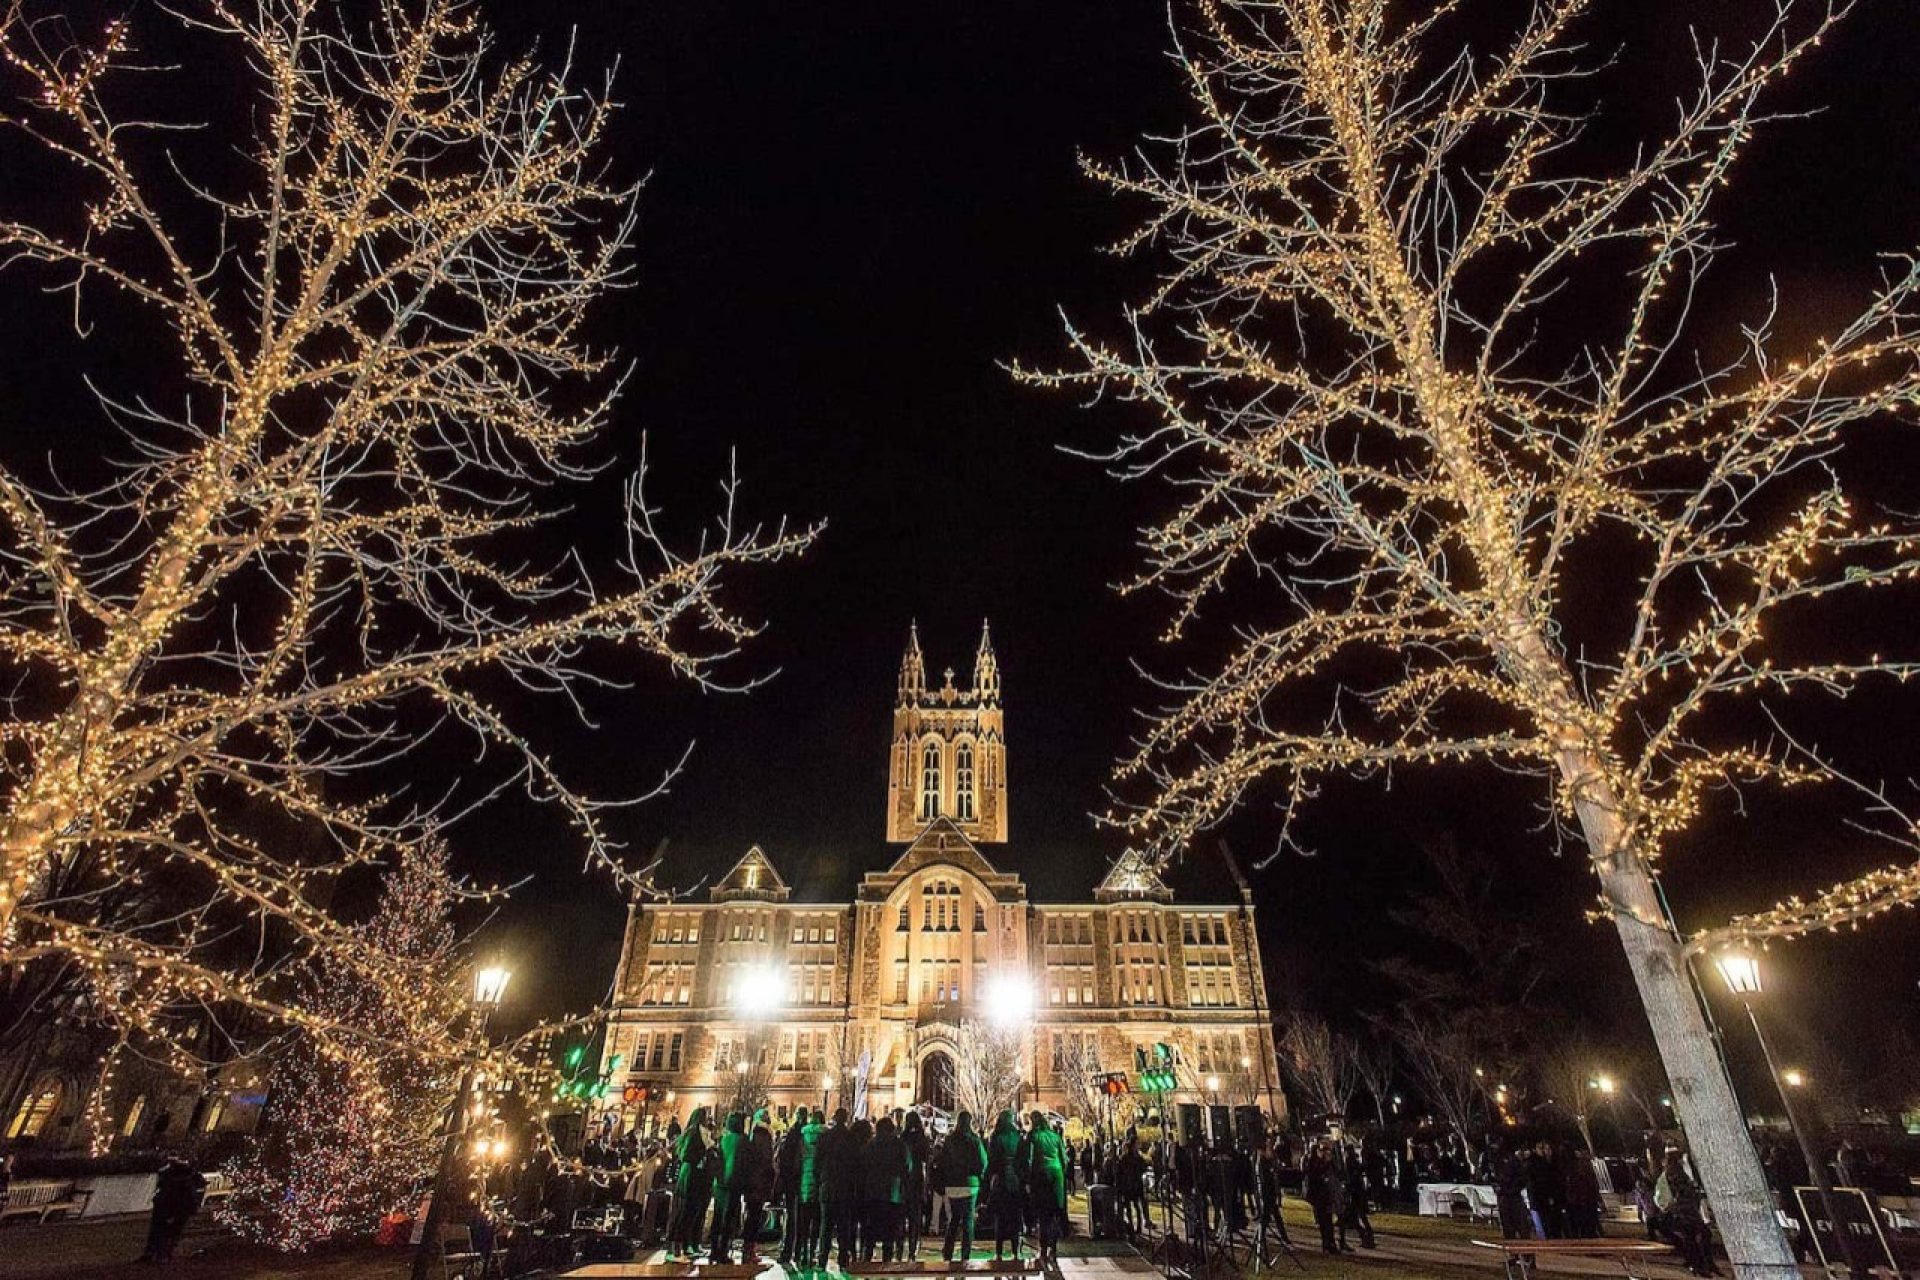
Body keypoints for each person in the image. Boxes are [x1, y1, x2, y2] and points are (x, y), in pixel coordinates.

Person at [1656, 1150, 1716, 1277]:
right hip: (1684, 1212)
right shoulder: (1674, 1174)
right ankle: (1699, 1265)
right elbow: (1681, 1193)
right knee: (1696, 1237)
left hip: (1686, 1211)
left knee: (1697, 1237)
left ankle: (1700, 1264)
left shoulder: (1674, 1174)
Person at [939, 1110, 989, 1263]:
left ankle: (948, 1251)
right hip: (970, 1184)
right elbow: (983, 1162)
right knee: (968, 1220)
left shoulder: (949, 1140)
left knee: (954, 1219)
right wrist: (979, 1176)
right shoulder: (974, 1140)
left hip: (953, 1185)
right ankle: (965, 1255)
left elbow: (943, 1161)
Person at [668, 1106, 716, 1258]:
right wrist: (704, 1154)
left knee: (699, 1212)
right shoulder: (694, 1133)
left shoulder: (706, 1134)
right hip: (693, 1176)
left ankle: (694, 1243)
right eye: (706, 1116)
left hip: (703, 1178)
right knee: (688, 1211)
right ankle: (679, 1244)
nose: (709, 1118)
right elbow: (688, 1155)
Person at [140, 1156, 207, 1264]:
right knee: (170, 1231)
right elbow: (200, 1183)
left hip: (170, 1206)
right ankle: (160, 1253)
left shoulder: (172, 1175)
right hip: (175, 1206)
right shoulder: (187, 1175)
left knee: (163, 1231)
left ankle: (158, 1253)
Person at [861, 1116, 909, 1262]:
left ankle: (867, 1259)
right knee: (890, 1231)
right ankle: (886, 1263)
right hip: (892, 1193)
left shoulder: (871, 1145)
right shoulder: (900, 1145)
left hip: (873, 1192)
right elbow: (907, 1167)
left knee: (871, 1229)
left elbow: (863, 1166)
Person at [1025, 1111, 1068, 1267]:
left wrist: (1028, 1181)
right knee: (1054, 1214)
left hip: (1041, 1177)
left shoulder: (1033, 1136)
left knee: (1043, 1216)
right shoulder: (1055, 1136)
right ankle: (1054, 1249)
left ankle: (1043, 1250)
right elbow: (1064, 1159)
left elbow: (1029, 1160)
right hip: (1057, 1177)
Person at [817, 1108, 858, 1268]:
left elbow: (818, 1162)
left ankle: (822, 1258)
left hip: (827, 1186)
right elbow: (855, 1164)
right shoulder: (850, 1138)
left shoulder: (825, 1137)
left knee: (825, 1226)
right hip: (845, 1188)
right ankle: (843, 1258)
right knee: (843, 1226)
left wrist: (820, 1179)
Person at [708, 1111, 750, 1263]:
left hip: (720, 1183)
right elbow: (745, 1163)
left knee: (718, 1217)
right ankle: (723, 1250)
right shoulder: (743, 1140)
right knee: (729, 1219)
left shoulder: (723, 1139)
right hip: (734, 1183)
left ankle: (714, 1249)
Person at [987, 1109, 1026, 1261]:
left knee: (1000, 1217)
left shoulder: (996, 1137)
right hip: (1015, 1182)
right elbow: (1023, 1159)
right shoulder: (1017, 1137)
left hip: (1001, 1181)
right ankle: (1015, 1251)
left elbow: (992, 1160)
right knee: (1015, 1216)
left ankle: (999, 1252)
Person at [902, 1111, 930, 1258]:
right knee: (915, 1218)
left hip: (904, 1181)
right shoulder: (922, 1139)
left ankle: (900, 1248)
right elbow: (926, 1160)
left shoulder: (903, 1138)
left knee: (901, 1217)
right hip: (917, 1181)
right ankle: (913, 1248)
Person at [1304, 1140, 1340, 1254]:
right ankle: (1326, 1244)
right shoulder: (1313, 1162)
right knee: (1323, 1222)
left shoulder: (1326, 1162)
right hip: (1318, 1196)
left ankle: (1331, 1243)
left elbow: (1336, 1171)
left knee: (1328, 1221)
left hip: (1326, 1195)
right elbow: (1314, 1176)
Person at [1563, 1143, 1603, 1239]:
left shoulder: (1574, 1167)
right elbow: (1592, 1184)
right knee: (1588, 1226)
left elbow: (1593, 1184)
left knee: (1585, 1226)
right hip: (1584, 1201)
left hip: (1582, 1201)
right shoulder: (1581, 1166)